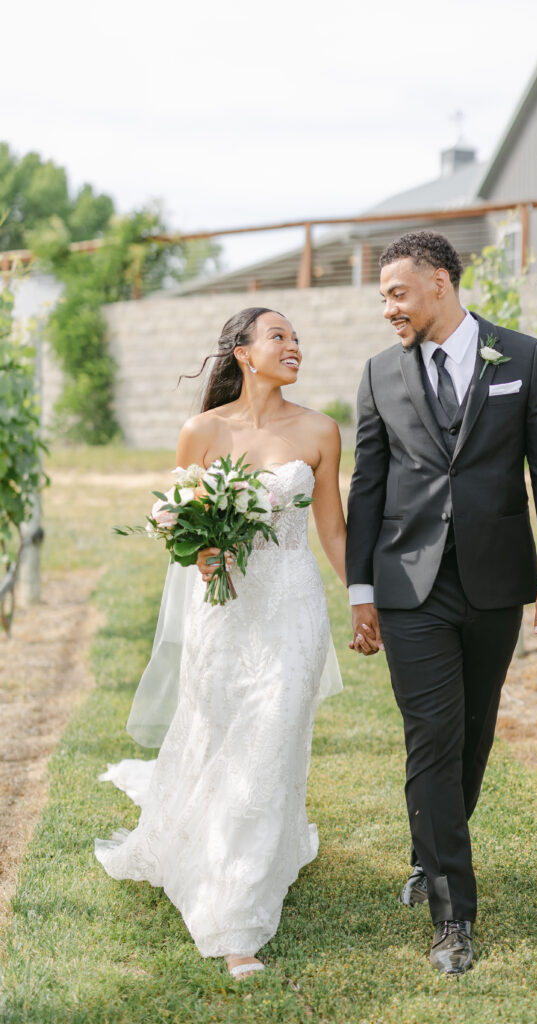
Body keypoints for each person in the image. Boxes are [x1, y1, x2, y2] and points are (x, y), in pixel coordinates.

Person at [345, 231, 537, 976]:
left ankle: (429, 844)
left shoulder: (524, 358)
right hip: (408, 582)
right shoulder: (380, 374)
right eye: (383, 295)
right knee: (432, 737)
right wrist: (359, 589)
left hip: (495, 580)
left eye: (397, 292)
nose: (387, 308)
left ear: (440, 283)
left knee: (473, 736)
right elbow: (368, 483)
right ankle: (453, 917)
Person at [95, 307, 346, 980]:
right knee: (216, 736)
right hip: (224, 612)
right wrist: (200, 551)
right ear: (242, 352)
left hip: (291, 611)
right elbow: (180, 530)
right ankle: (201, 844)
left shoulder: (321, 430)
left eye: (297, 337)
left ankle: (235, 917)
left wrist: (364, 599)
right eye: (279, 336)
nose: (294, 345)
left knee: (271, 736)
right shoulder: (200, 432)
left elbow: (333, 532)